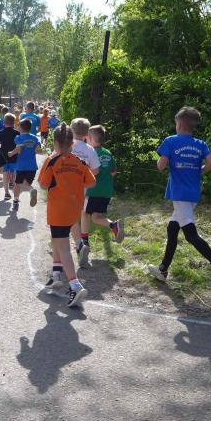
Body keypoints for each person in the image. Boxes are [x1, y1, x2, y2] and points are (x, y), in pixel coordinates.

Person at [147, 107, 211, 289]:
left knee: (191, 235)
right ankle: (162, 269)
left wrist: (162, 160)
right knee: (172, 228)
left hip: (180, 193)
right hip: (193, 193)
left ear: (178, 124)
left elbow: (161, 166)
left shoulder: (170, 141)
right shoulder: (200, 143)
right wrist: (199, 171)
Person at [37, 123, 96, 307]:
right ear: (72, 143)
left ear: (55, 142)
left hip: (58, 210)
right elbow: (91, 183)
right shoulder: (79, 161)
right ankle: (56, 274)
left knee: (63, 246)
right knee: (57, 239)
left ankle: (75, 285)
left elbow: (43, 184)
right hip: (73, 209)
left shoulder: (51, 160)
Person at [79, 125, 125, 253]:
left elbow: (90, 172)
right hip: (106, 191)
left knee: (84, 213)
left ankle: (84, 242)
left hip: (92, 190)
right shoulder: (107, 153)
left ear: (90, 138)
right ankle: (114, 225)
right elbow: (114, 172)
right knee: (96, 217)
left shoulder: (89, 153)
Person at [68, 117, 100, 267]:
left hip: (64, 185)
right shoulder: (90, 149)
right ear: (87, 133)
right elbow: (96, 170)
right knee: (74, 216)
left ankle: (78, 245)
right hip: (82, 188)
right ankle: (79, 244)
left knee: (67, 217)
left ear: (71, 130)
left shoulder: (67, 145)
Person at [8, 118, 42, 212]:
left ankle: (15, 201)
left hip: (21, 166)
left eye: (18, 125)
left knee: (18, 184)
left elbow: (19, 148)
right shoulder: (35, 138)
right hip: (32, 166)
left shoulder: (18, 138)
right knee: (27, 183)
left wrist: (11, 153)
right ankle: (31, 190)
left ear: (20, 128)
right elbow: (39, 150)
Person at [0, 112, 19, 201]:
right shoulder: (17, 133)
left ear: (4, 122)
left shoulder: (1, 133)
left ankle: (6, 192)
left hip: (3, 156)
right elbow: (20, 145)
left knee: (5, 174)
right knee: (13, 172)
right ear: (14, 122)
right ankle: (12, 182)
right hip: (14, 156)